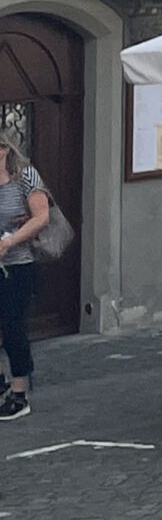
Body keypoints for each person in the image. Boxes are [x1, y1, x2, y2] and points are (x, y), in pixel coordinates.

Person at [0, 141, 50, 420]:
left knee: (12, 327)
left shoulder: (25, 177)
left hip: (18, 265)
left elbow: (41, 217)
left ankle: (19, 394)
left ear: (3, 150)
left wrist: (10, 241)